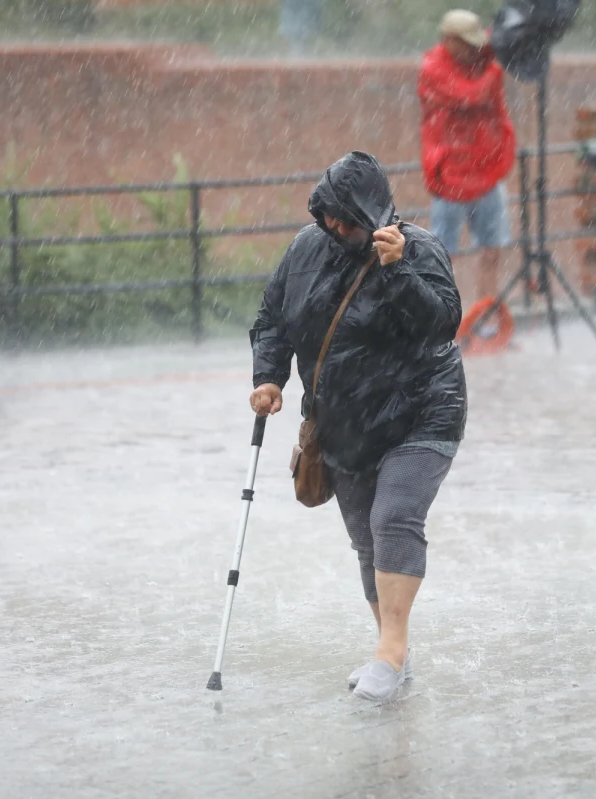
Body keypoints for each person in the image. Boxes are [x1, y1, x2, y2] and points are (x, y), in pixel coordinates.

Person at [248, 151, 467, 702]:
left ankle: (389, 654)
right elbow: (274, 317)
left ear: (373, 217)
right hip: (343, 422)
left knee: (394, 516)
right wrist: (270, 377)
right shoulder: (304, 250)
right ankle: (392, 650)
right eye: (329, 216)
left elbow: (440, 325)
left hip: (421, 413)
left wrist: (398, 273)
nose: (335, 228)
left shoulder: (416, 252)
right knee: (366, 539)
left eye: (348, 220)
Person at [417, 8, 517, 300]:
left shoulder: (478, 54)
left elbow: (494, 42)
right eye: (467, 43)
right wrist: (497, 69)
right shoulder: (432, 68)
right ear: (448, 41)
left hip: (486, 169)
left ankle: (486, 315)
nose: (475, 49)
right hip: (450, 175)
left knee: (492, 247)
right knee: (443, 254)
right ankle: (446, 318)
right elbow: (469, 96)